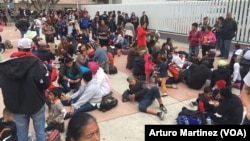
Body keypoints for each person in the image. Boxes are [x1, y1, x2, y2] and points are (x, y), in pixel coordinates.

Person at [0, 38, 51, 141]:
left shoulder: (5, 66)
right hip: (36, 104)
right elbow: (45, 84)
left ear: (18, 49)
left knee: (22, 135)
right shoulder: (37, 64)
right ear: (31, 49)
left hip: (17, 106)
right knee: (40, 133)